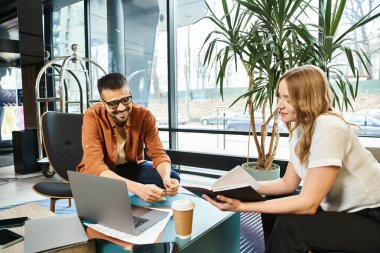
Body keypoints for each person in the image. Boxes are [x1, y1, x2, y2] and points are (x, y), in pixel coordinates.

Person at [203, 65, 380, 253]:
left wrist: (243, 206)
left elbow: (308, 204)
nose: (279, 104)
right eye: (279, 96)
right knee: (273, 200)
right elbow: (288, 183)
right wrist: (243, 189)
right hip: (342, 211)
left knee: (289, 225)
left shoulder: (329, 127)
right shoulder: (300, 129)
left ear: (308, 98)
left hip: (371, 216)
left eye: (288, 98)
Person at [77, 73, 180, 202]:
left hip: (130, 167)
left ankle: (148, 215)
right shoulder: (92, 115)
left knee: (173, 176)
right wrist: (138, 188)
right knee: (106, 196)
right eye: (113, 103)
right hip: (102, 171)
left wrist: (166, 178)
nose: (121, 108)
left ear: (130, 93)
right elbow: (95, 165)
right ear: (102, 102)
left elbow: (158, 154)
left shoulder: (144, 116)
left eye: (125, 99)